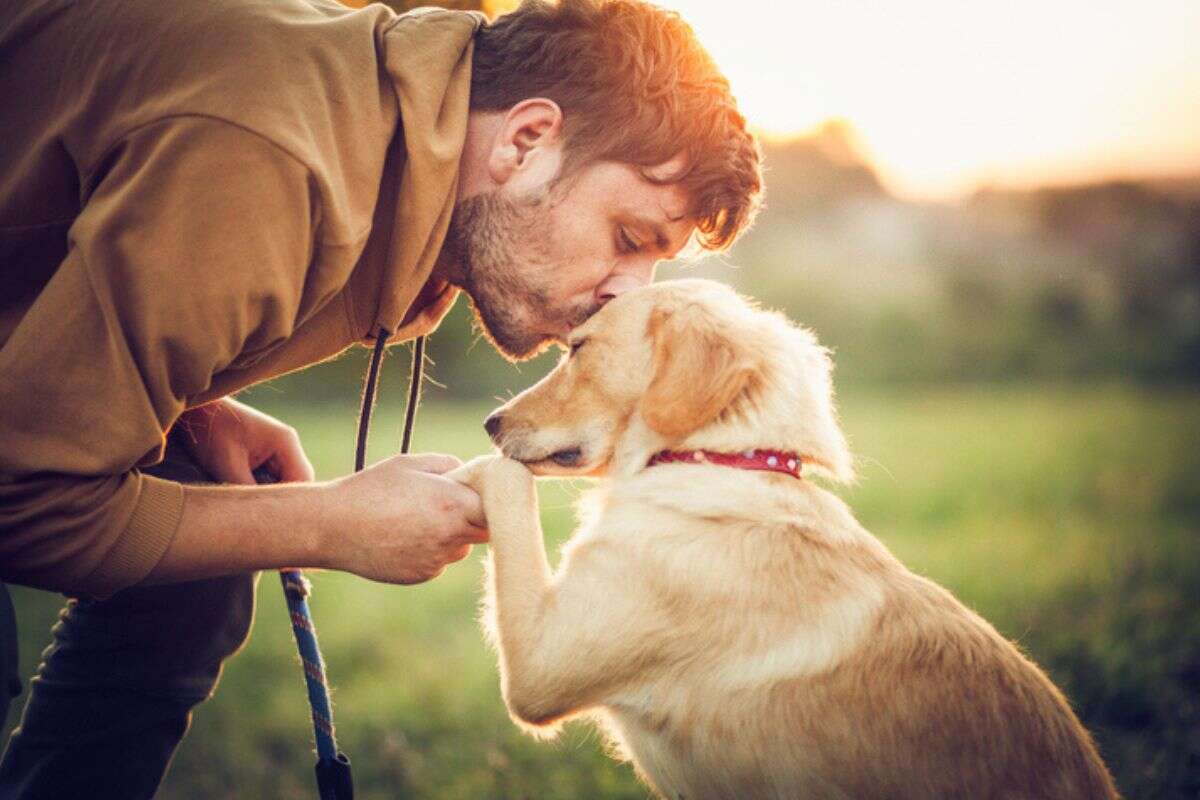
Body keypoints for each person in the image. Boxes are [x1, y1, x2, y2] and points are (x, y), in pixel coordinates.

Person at [0, 0, 761, 794]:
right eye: (628, 239)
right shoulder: (275, 158)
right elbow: (19, 499)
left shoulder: (406, 149)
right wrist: (327, 524)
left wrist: (195, 403)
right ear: (527, 139)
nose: (625, 295)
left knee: (196, 575)